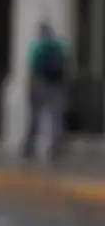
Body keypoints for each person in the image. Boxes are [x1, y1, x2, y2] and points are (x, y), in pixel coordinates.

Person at [22, 20, 70, 160]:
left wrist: (30, 86)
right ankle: (57, 145)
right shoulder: (60, 46)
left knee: (35, 117)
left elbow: (32, 68)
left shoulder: (37, 47)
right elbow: (67, 67)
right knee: (56, 116)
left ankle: (30, 144)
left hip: (40, 83)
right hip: (56, 85)